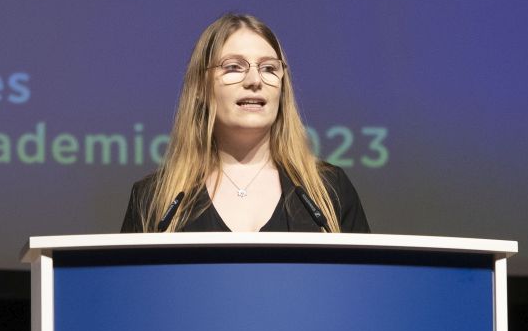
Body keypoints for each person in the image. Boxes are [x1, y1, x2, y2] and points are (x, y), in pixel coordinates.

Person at [120, 13, 370, 234]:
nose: (254, 80)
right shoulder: (154, 199)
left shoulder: (329, 190)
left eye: (269, 68)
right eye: (233, 67)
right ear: (200, 87)